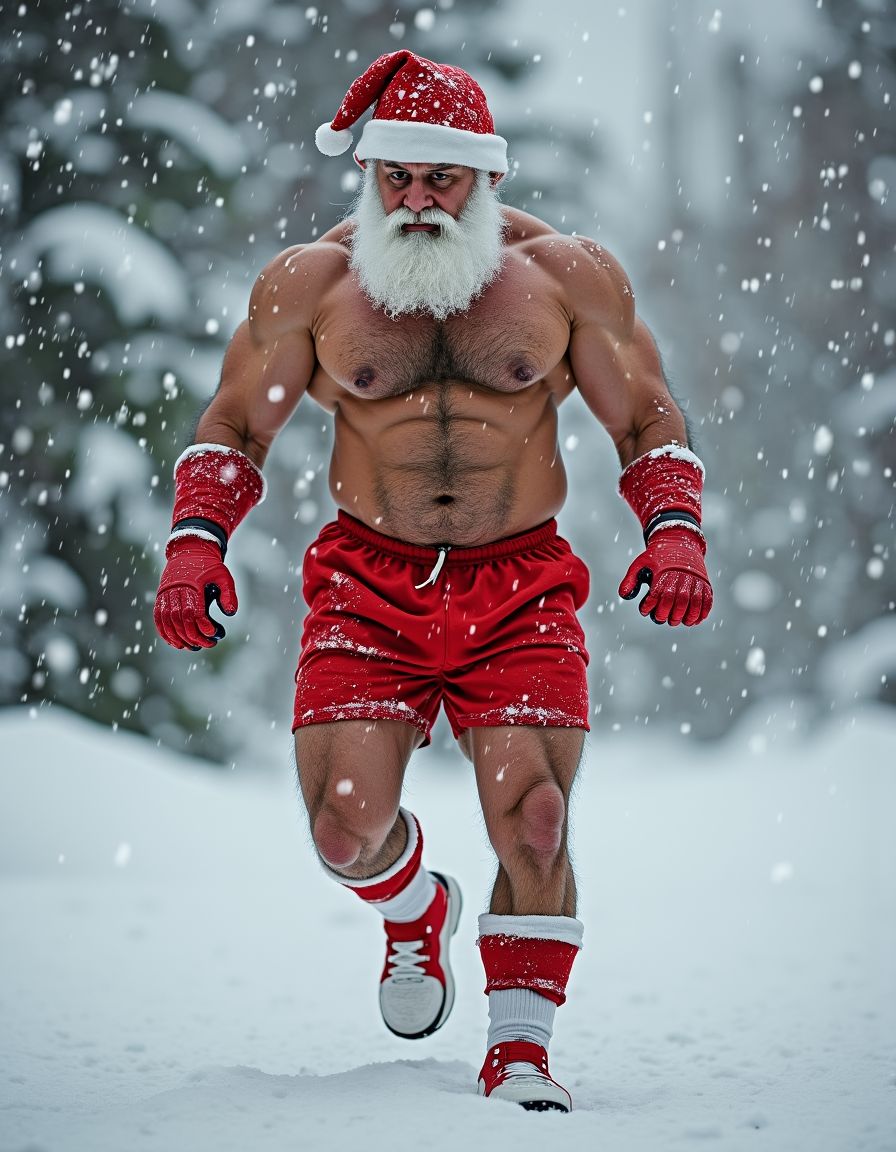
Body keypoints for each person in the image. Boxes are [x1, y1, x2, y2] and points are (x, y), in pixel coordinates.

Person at [153, 50, 713, 1113]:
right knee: (342, 832)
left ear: (486, 177)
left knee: (536, 817)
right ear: (368, 178)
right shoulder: (309, 285)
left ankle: (519, 1053)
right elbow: (235, 421)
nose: (414, 201)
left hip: (520, 588)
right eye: (394, 179)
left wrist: (674, 530)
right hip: (369, 587)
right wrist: (196, 542)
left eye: (439, 179)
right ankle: (415, 911)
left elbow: (642, 411)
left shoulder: (566, 278)